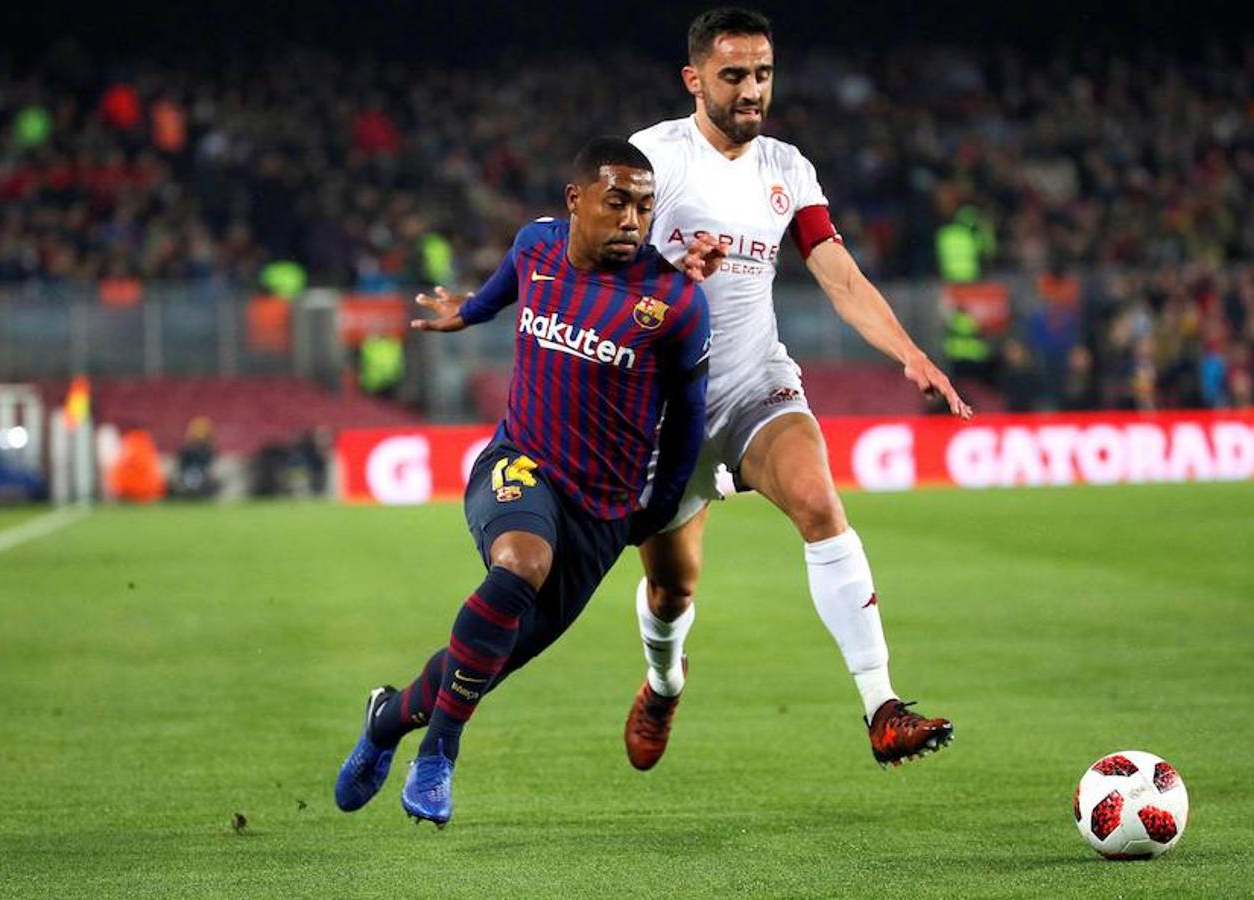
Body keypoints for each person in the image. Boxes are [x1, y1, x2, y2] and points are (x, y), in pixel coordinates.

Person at [622, 7, 974, 772]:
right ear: (694, 80)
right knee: (672, 594)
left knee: (820, 504)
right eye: (734, 76)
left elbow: (838, 274)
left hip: (757, 385)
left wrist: (909, 352)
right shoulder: (653, 159)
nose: (752, 90)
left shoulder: (787, 168)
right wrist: (668, 277)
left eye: (763, 74)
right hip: (666, 409)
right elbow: (599, 270)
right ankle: (663, 681)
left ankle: (882, 707)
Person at [334, 137, 715, 826]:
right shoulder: (538, 245)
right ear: (577, 202)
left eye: (645, 207)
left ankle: (388, 720)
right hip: (519, 463)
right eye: (617, 202)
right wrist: (471, 311)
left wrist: (655, 511)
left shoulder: (676, 303)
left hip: (601, 513)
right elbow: (511, 277)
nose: (633, 220)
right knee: (519, 563)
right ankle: (438, 754)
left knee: (481, 661)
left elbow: (689, 422)